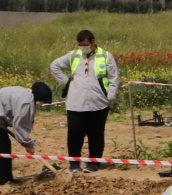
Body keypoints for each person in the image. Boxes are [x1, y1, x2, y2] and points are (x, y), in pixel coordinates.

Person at [49, 29, 121, 172]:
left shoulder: (106, 56)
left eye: (85, 44)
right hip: (76, 102)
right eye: (80, 45)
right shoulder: (74, 55)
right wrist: (66, 83)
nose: (83, 47)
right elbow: (54, 66)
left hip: (99, 102)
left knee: (96, 134)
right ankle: (74, 164)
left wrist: (110, 96)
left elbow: (114, 77)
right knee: (75, 133)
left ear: (93, 42)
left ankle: (94, 163)